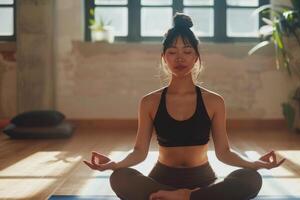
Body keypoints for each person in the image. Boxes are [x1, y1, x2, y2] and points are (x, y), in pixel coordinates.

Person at [84, 13, 285, 200]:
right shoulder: (149, 102)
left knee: (251, 179)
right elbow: (139, 151)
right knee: (119, 178)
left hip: (203, 180)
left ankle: (183, 197)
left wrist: (254, 164)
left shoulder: (214, 101)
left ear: (196, 57)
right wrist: (115, 164)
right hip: (160, 180)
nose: (180, 58)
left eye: (187, 51)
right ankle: (187, 197)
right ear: (164, 57)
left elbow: (224, 152)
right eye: (172, 52)